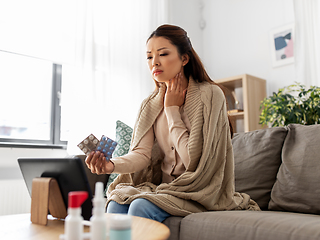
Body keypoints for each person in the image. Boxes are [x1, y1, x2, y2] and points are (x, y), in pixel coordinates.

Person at [85, 24, 260, 223]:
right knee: (116, 202)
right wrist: (111, 165)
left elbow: (192, 161)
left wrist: (172, 110)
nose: (154, 63)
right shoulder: (149, 105)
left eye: (163, 54)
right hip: (165, 190)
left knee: (140, 205)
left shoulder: (210, 95)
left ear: (184, 58)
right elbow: (141, 154)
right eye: (149, 57)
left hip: (197, 190)